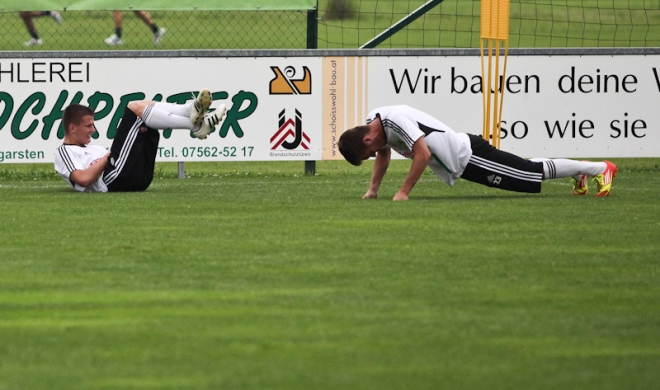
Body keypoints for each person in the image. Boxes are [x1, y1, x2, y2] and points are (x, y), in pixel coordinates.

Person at [337, 105, 618, 201]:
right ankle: (582, 173)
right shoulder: (376, 123)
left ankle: (599, 169)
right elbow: (384, 153)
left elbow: (421, 155)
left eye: (368, 152)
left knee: (528, 173)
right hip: (463, 163)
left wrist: (404, 192)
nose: (373, 156)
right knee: (524, 168)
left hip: (469, 155)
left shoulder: (394, 119)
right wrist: (373, 189)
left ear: (366, 138)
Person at [54, 89, 225, 192]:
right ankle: (194, 125)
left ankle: (189, 110)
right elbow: (82, 179)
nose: (93, 130)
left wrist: (109, 155)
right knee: (133, 108)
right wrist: (109, 156)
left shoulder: (93, 148)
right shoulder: (65, 151)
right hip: (112, 181)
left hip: (140, 178)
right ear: (72, 128)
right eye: (88, 126)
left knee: (144, 111)